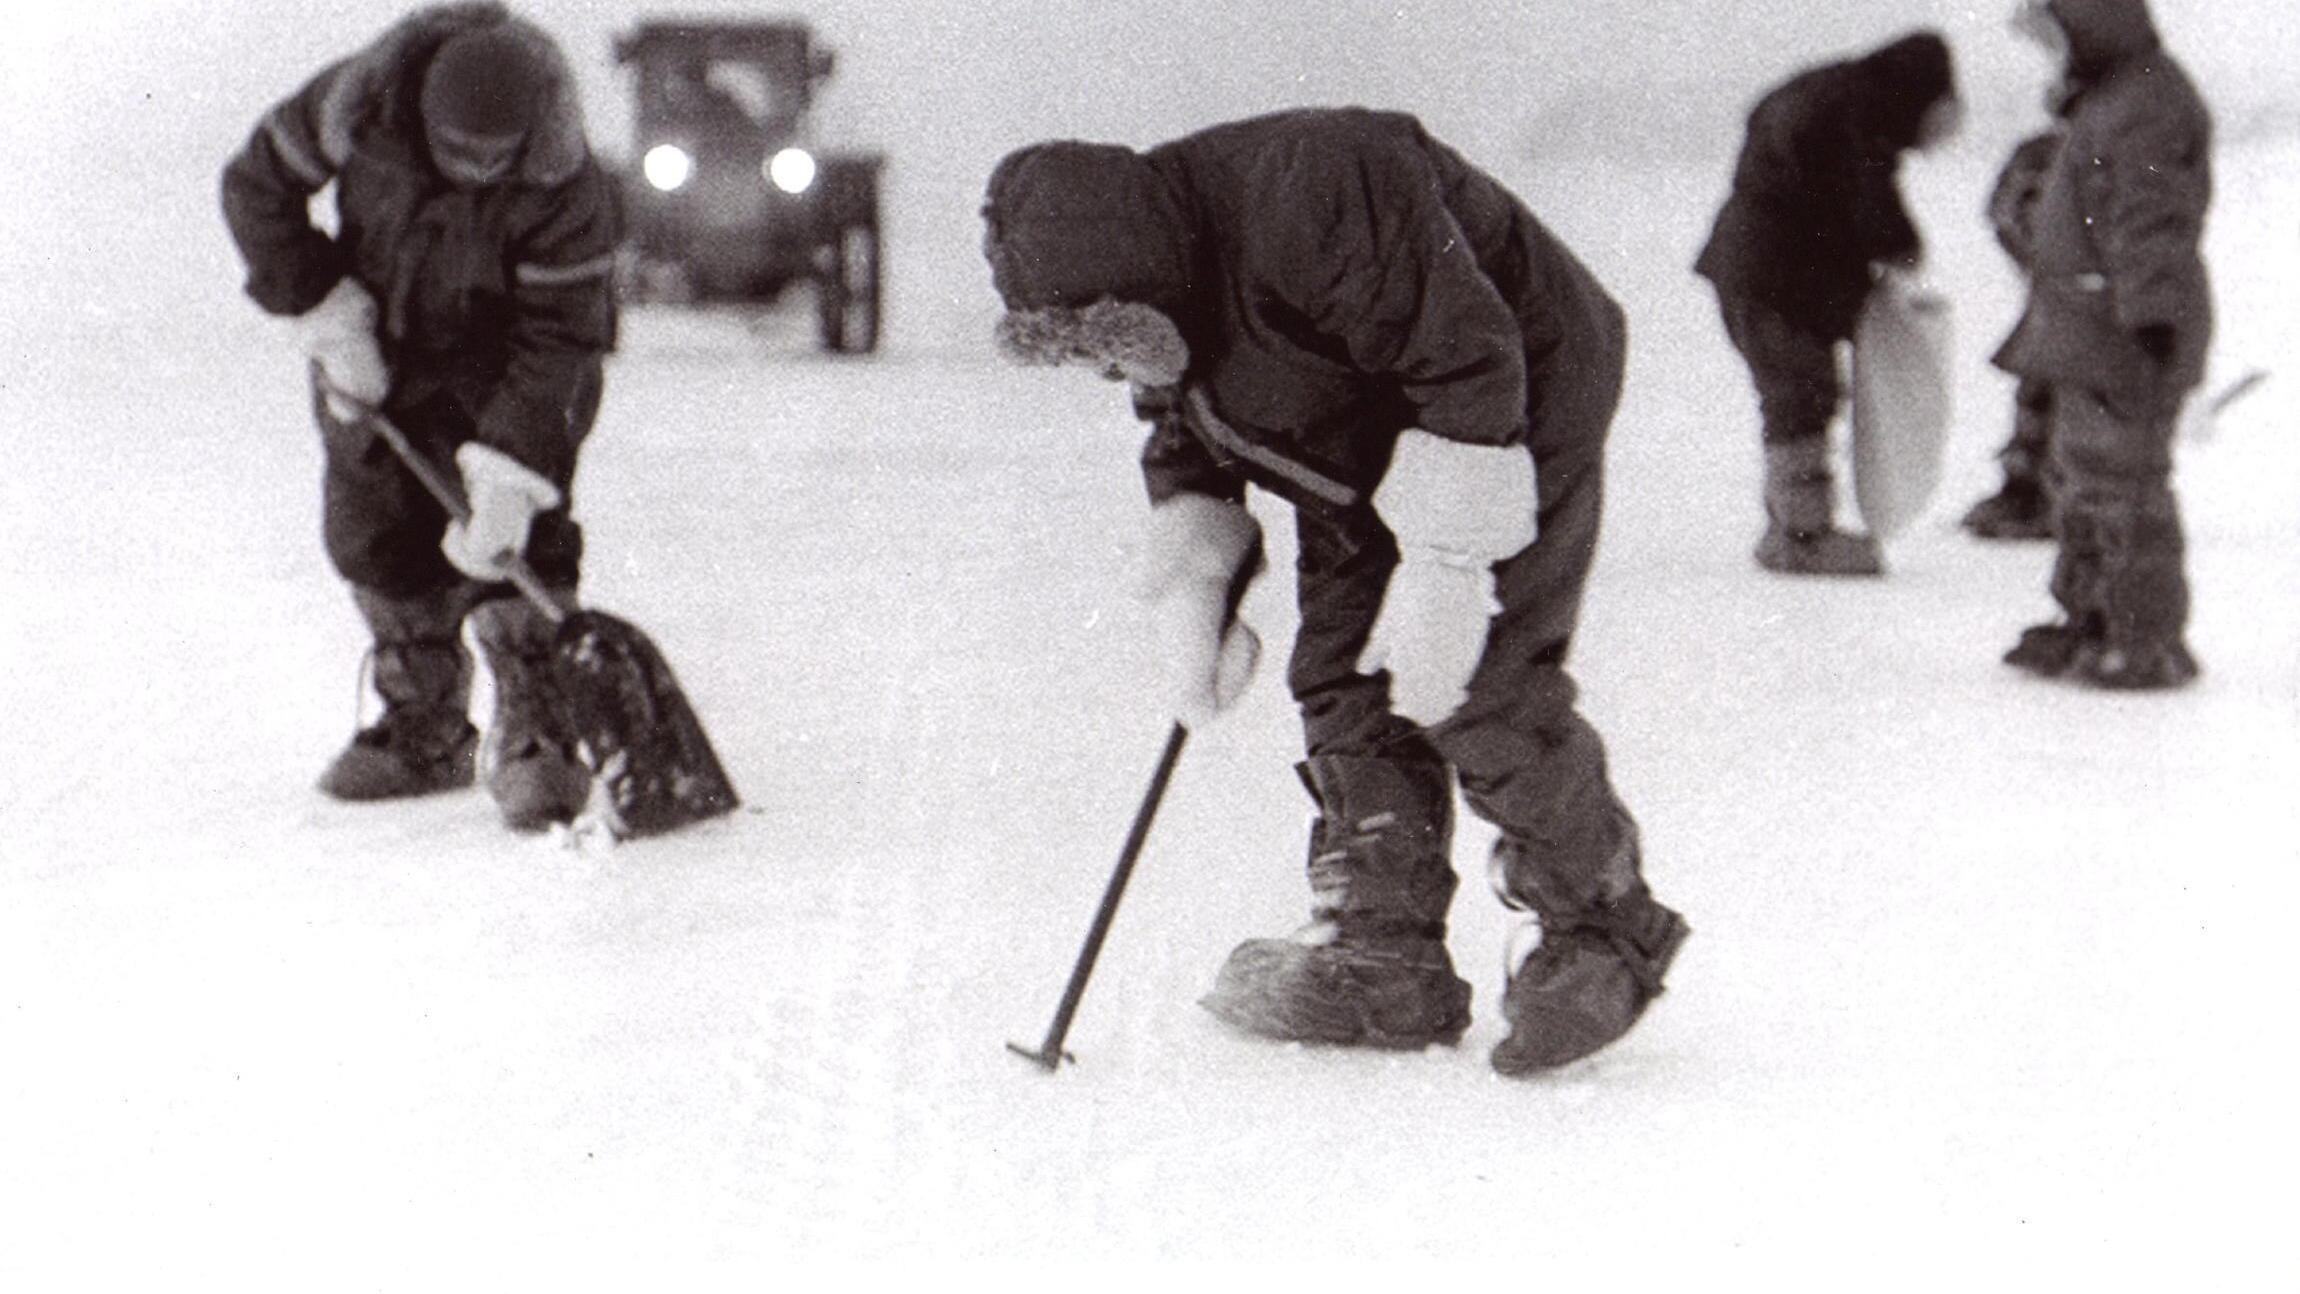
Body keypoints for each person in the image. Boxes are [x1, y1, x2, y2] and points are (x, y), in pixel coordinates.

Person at [980, 109, 1688, 1076]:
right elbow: (1187, 422)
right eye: (1079, 354)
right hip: (1360, 427)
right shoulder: (1159, 301)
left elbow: (1473, 360)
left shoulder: (1310, 192)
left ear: (1139, 282)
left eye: (1105, 341)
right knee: (1342, 669)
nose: (1103, 369)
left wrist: (1446, 565)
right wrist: (1199, 572)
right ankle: (1380, 950)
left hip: (1517, 389)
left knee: (1469, 672)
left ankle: (1607, 931)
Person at [221, 4, 623, 827]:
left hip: (506, 363)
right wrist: (326, 309)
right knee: (377, 531)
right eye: (456, 150)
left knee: (520, 540)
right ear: (421, 117)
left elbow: (562, 341)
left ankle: (537, 727)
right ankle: (424, 725)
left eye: (492, 156)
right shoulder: (357, 103)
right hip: (374, 341)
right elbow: (257, 184)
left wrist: (512, 470)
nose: (475, 168)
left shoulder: (565, 182)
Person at [1993, 0, 2212, 689]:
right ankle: (2091, 620)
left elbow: (2151, 222)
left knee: (2125, 485)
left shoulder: (2145, 103)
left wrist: (2152, 319)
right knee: (2081, 481)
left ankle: (2143, 637)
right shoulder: (2113, 98)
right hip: (2087, 329)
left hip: (2124, 333)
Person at [1695, 31, 1962, 576]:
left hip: (1758, 265)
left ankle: (1789, 527)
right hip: (1774, 275)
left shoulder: (1833, 93)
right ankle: (1802, 536)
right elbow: (1868, 196)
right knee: (1800, 392)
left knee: (1795, 391)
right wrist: (1901, 248)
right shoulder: (1857, 109)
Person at [1961, 125, 2066, 540]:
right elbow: (2006, 216)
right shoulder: (2045, 153)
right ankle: (2029, 489)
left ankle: (2044, 492)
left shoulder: (2092, 147)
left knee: (2059, 383)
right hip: (2065, 287)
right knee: (2042, 381)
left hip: (2084, 289)